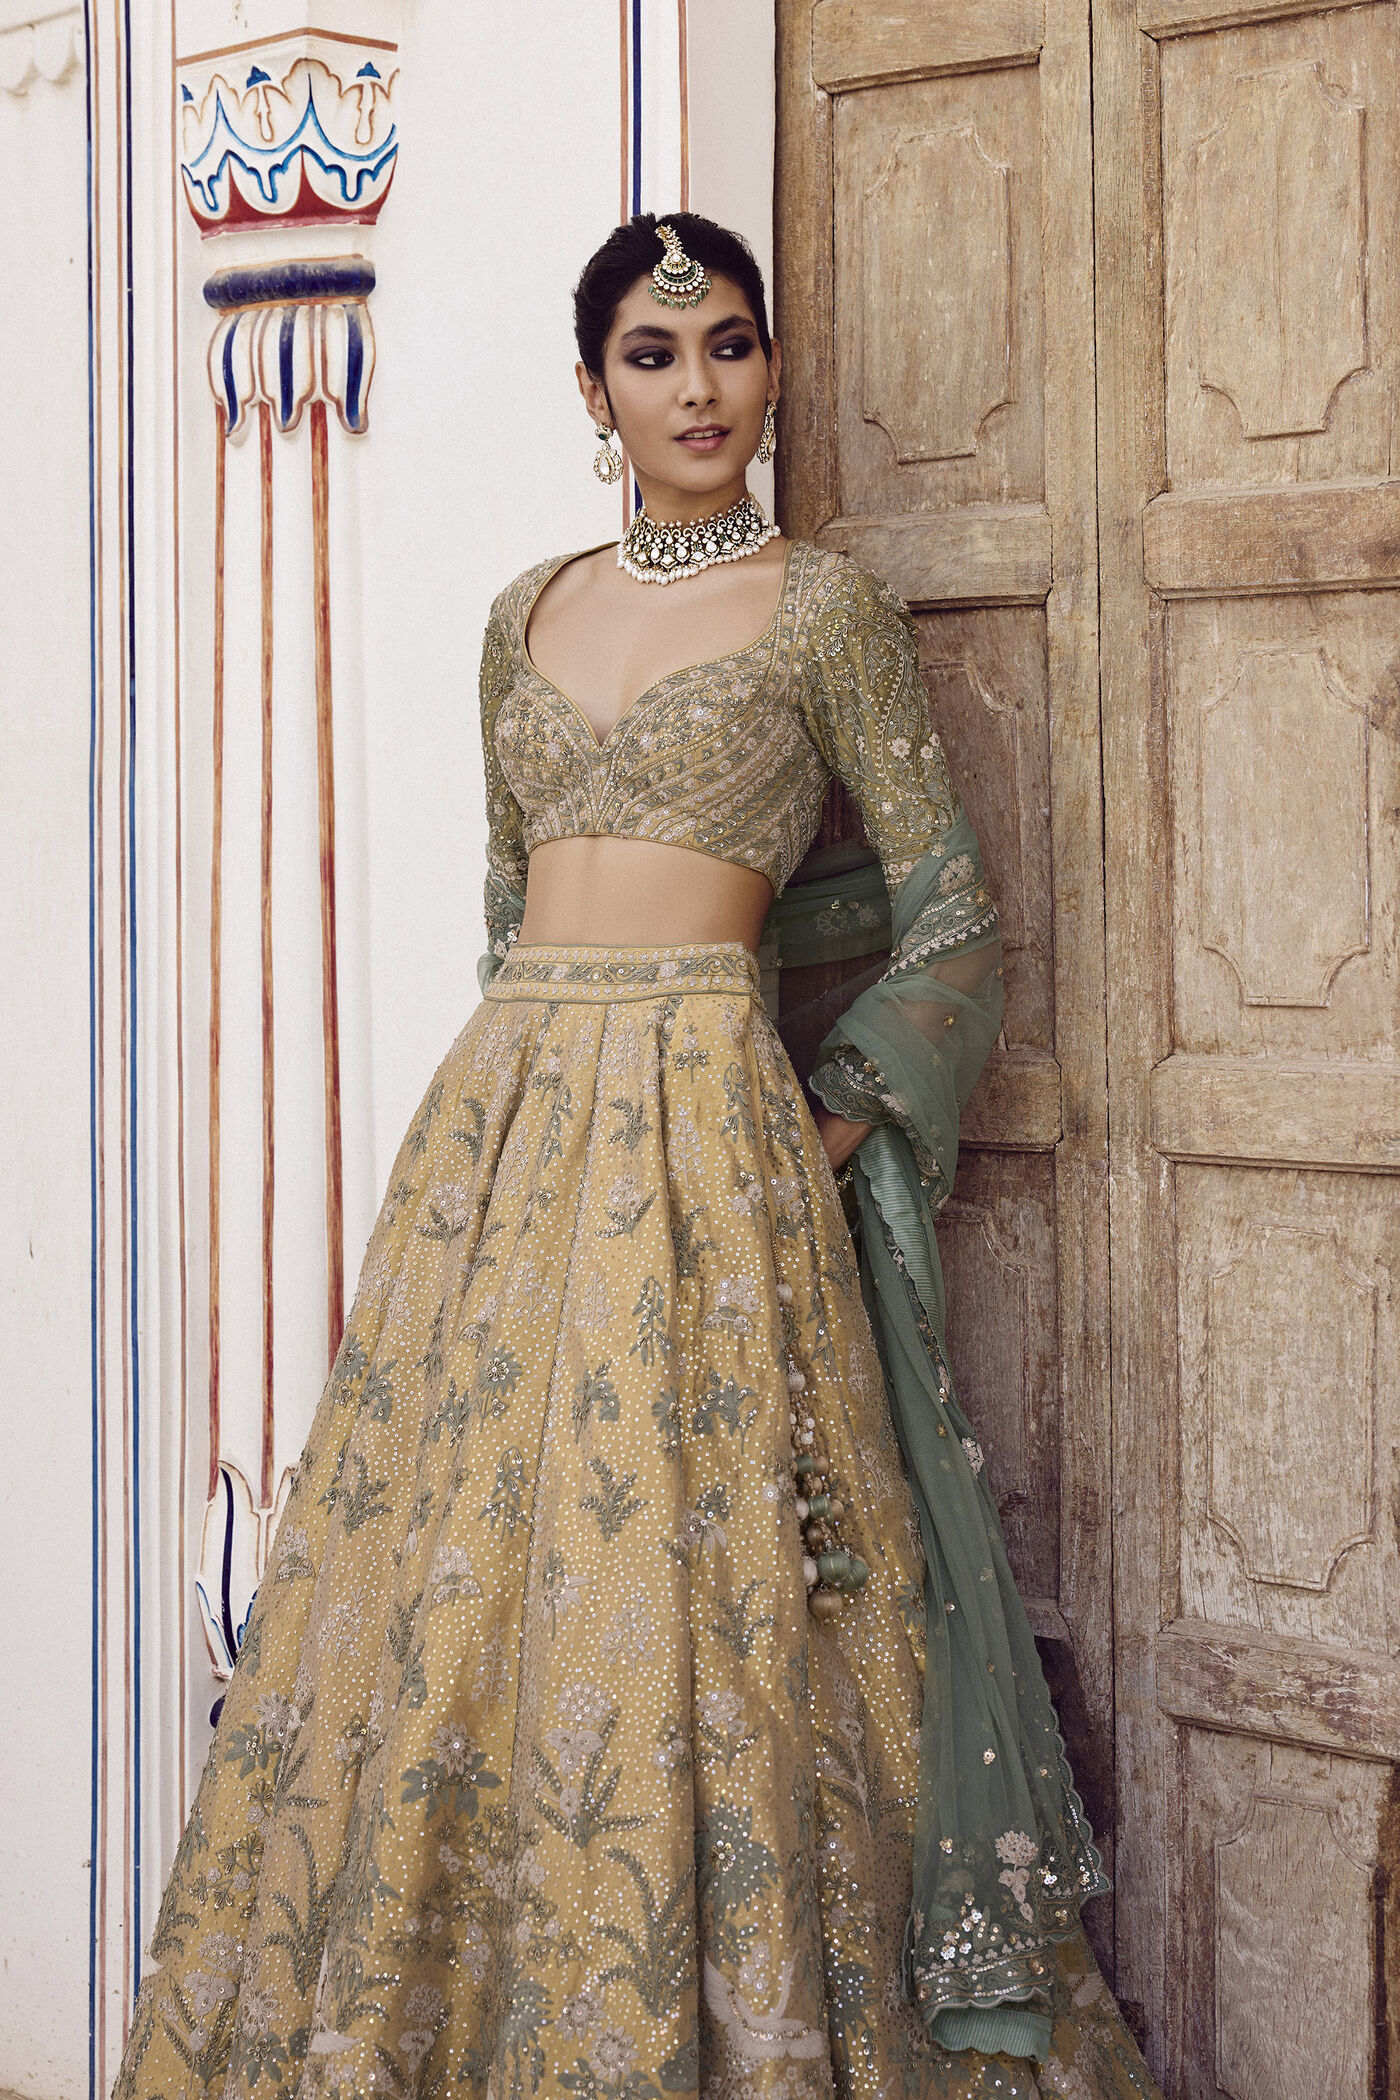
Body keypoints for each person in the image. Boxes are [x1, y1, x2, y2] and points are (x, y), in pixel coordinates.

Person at [115, 214, 1160, 2100]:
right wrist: (513, 1120)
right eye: (656, 356)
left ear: (775, 371)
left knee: (721, 1578)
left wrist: (826, 1116)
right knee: (457, 1578)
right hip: (503, 1135)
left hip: (706, 1134)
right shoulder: (520, 612)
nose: (700, 387)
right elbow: (505, 906)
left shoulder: (823, 611)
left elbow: (949, 911)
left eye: (732, 345)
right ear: (592, 388)